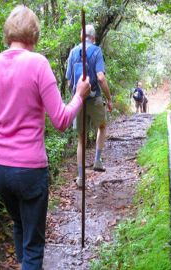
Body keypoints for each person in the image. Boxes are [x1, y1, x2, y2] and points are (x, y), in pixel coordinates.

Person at [0, 5, 90, 270]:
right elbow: (61, 120)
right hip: (29, 170)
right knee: (34, 247)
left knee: (19, 223)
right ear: (34, 34)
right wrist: (79, 96)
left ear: (9, 32)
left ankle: (22, 264)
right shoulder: (38, 64)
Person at [66, 24, 113, 188]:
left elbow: (70, 82)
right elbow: (100, 77)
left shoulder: (73, 53)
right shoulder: (97, 51)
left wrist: (75, 97)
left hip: (78, 99)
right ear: (93, 37)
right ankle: (97, 160)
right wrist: (109, 98)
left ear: (81, 37)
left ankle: (80, 178)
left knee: (81, 139)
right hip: (94, 97)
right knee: (102, 126)